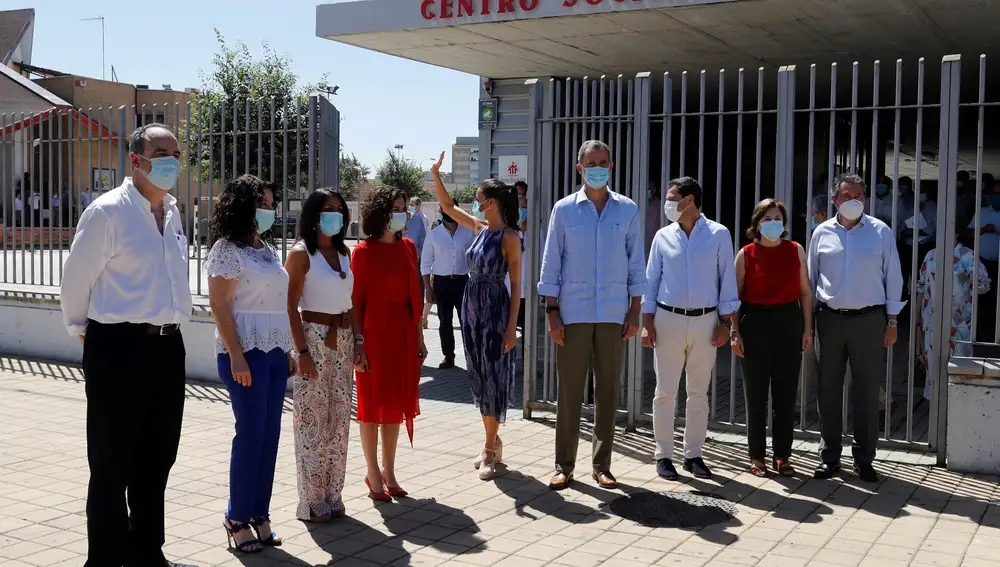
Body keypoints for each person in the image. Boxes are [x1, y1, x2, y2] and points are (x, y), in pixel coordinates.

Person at [60, 124, 193, 567]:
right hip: (118, 348)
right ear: (136, 159)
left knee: (157, 459)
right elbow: (75, 282)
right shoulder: (107, 212)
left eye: (176, 152)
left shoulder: (173, 214)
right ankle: (105, 558)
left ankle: (146, 553)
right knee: (111, 460)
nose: (172, 159)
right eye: (161, 151)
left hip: (167, 350)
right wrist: (87, 333)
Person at [538, 140, 646, 490]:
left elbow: (636, 263)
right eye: (591, 162)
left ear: (611, 166)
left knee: (608, 390)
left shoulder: (626, 209)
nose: (598, 167)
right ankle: (563, 465)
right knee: (569, 390)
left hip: (614, 312)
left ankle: (602, 464)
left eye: (603, 162)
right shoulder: (564, 210)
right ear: (579, 167)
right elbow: (551, 261)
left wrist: (634, 310)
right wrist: (552, 311)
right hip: (574, 311)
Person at [204, 174, 292, 553]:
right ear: (243, 206)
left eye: (272, 204)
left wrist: (286, 348)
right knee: (250, 435)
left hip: (273, 353)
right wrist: (237, 354)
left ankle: (259, 513)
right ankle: (236, 516)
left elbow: (275, 302)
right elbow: (220, 305)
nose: (269, 211)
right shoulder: (227, 249)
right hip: (244, 354)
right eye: (262, 204)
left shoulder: (265, 249)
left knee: (269, 437)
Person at [431, 151, 522, 480]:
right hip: (472, 307)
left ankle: (488, 448)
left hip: (495, 308)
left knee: (494, 376)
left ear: (492, 202)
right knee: (479, 376)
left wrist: (512, 327)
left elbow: (516, 283)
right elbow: (447, 207)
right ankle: (492, 439)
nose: (474, 202)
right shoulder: (481, 228)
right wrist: (436, 175)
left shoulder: (509, 237)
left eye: (479, 198)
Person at [808, 173, 903, 483]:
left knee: (866, 391)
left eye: (859, 196)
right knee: (828, 389)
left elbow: (894, 278)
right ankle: (829, 456)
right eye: (847, 196)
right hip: (830, 320)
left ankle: (864, 458)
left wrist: (891, 321)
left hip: (869, 320)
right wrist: (808, 324)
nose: (853, 202)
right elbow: (811, 281)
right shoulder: (821, 233)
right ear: (835, 199)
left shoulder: (880, 232)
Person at [641, 177, 738, 481]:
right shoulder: (663, 237)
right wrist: (647, 324)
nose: (668, 203)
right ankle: (663, 454)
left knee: (698, 392)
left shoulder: (718, 234)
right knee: (665, 392)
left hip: (706, 322)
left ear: (690, 201)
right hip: (667, 319)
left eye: (673, 198)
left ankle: (693, 454)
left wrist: (726, 324)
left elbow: (727, 282)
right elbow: (651, 281)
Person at [286, 188, 367, 521]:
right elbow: (289, 305)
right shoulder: (301, 254)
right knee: (312, 420)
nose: (335, 214)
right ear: (313, 215)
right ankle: (310, 499)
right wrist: (302, 350)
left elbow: (352, 303)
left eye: (339, 209)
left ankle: (333, 494)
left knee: (338, 420)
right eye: (328, 209)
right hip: (314, 340)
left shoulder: (344, 253)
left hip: (344, 339)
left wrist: (359, 342)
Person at [352, 186, 426, 500]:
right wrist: (358, 344)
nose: (402, 213)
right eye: (396, 208)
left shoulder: (408, 247)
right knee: (371, 406)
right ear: (380, 212)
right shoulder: (363, 251)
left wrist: (420, 336)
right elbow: (354, 302)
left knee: (395, 405)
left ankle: (389, 470)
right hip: (373, 335)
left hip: (403, 334)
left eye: (404, 208)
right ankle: (372, 472)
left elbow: (416, 297)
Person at [731, 198, 812, 477]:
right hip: (755, 324)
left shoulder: (795, 250)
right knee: (756, 396)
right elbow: (734, 297)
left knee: (785, 395)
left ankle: (783, 455)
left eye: (777, 218)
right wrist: (734, 331)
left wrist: (807, 328)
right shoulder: (746, 254)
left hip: (788, 322)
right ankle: (756, 455)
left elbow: (805, 291)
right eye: (767, 219)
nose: (773, 223)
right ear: (756, 224)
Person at [916, 232, 991, 401]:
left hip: (960, 322)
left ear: (956, 232)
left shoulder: (968, 255)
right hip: (931, 320)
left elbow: (984, 284)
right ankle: (936, 407)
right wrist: (917, 320)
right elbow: (921, 286)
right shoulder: (930, 255)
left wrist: (966, 293)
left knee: (959, 363)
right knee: (933, 365)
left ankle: (958, 404)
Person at [421, 209, 475, 369]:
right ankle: (448, 356)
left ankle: (471, 356)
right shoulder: (434, 234)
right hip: (441, 282)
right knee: (445, 321)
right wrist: (428, 289)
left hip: (463, 282)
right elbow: (425, 263)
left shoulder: (467, 233)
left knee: (467, 321)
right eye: (442, 210)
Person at [966, 176, 1000, 342]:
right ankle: (978, 333)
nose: (996, 198)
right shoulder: (982, 212)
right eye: (994, 194)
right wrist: (983, 229)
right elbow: (968, 233)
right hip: (983, 262)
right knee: (980, 298)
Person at [407, 197, 429, 328]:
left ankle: (418, 317)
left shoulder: (419, 219)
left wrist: (417, 255)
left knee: (417, 287)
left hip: (416, 259)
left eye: (412, 204)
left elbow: (423, 239)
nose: (410, 207)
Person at [645, 180, 662, 258]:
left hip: (656, 242)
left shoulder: (660, 205)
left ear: (654, 190)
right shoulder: (637, 204)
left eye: (649, 188)